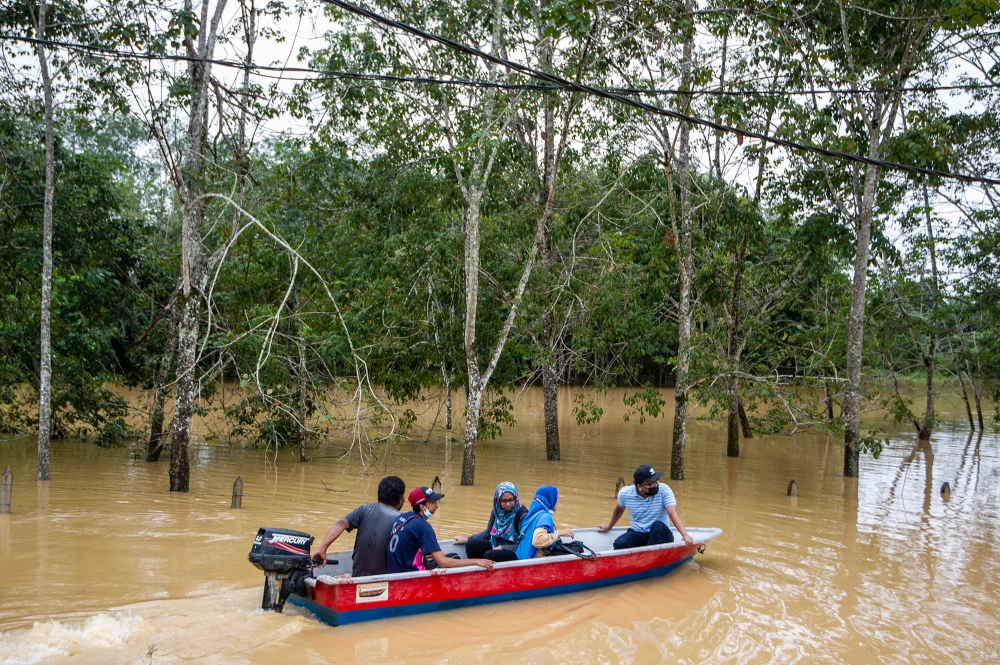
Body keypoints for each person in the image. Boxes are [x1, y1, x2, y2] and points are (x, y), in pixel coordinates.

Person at [311, 475, 406, 577]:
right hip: (385, 581)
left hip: (358, 576)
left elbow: (341, 523)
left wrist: (322, 548)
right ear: (400, 499)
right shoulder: (402, 519)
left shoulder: (364, 510)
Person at [387, 486, 495, 573]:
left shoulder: (402, 517)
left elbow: (408, 548)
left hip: (396, 568)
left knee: (446, 554)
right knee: (455, 556)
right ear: (422, 506)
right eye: (432, 502)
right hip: (409, 572)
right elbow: (442, 563)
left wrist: (434, 554)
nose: (437, 505)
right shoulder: (423, 526)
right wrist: (476, 561)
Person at [597, 464, 694, 549]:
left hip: (661, 534)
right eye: (650, 484)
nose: (655, 485)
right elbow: (618, 510)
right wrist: (609, 527)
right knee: (619, 544)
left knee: (657, 525)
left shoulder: (664, 490)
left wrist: (685, 535)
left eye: (656, 481)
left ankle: (650, 557)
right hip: (639, 533)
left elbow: (672, 514)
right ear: (639, 486)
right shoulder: (625, 493)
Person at [453, 481, 527, 563]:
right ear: (498, 500)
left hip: (515, 551)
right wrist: (467, 539)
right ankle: (476, 569)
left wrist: (502, 547)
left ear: (516, 498)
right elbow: (488, 533)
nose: (508, 504)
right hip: (496, 544)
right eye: (504, 501)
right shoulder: (496, 511)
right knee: (471, 545)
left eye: (511, 500)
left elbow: (524, 545)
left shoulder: (522, 515)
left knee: (489, 555)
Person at [515, 486, 575, 559]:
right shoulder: (545, 516)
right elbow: (537, 540)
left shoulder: (533, 514)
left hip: (520, 557)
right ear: (551, 499)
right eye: (556, 498)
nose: (558, 501)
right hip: (530, 562)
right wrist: (559, 533)